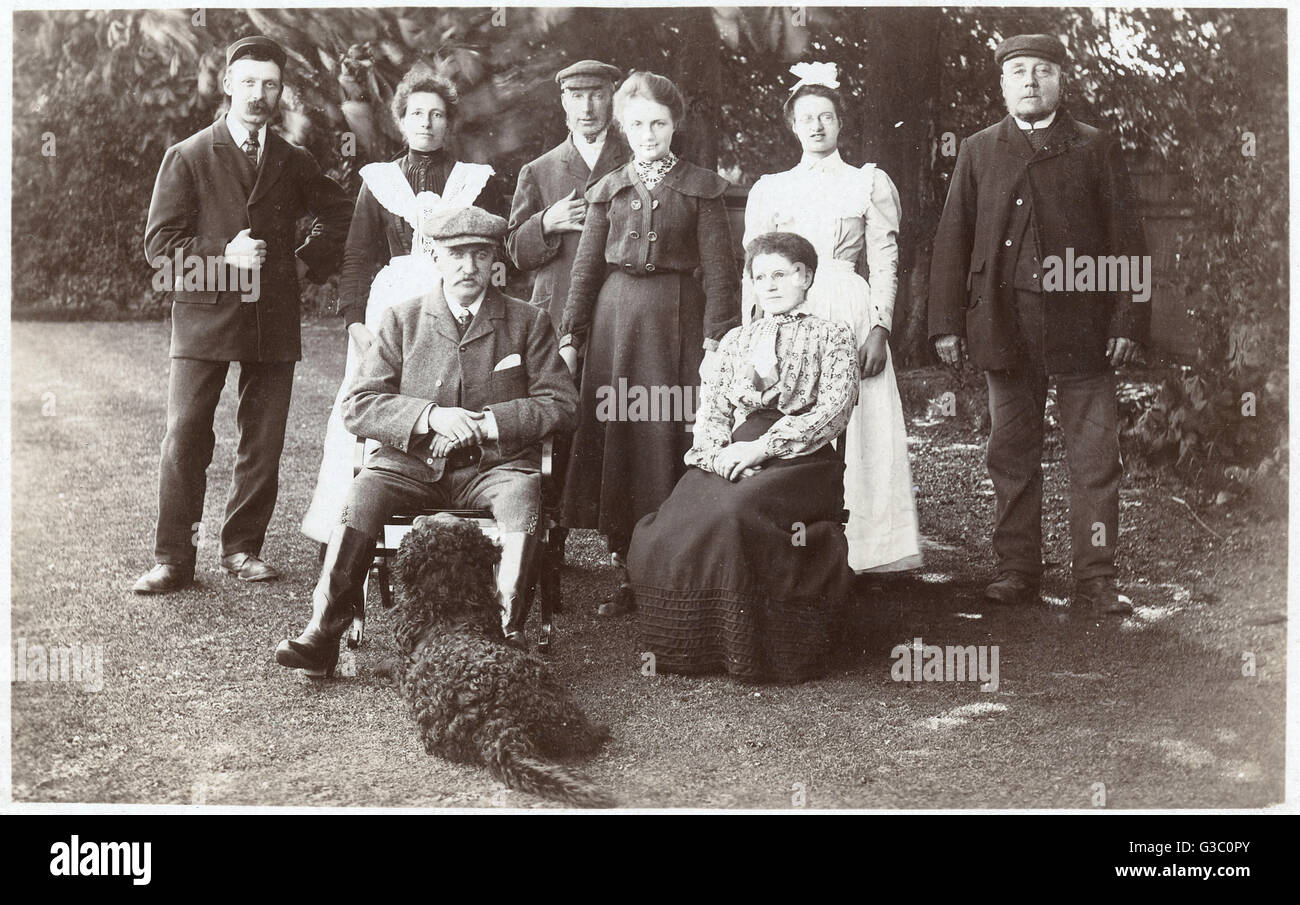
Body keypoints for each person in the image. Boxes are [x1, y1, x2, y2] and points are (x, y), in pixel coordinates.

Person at [276, 205, 578, 675]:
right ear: (434, 257)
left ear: (495, 260)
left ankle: (506, 635)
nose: (468, 267)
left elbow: (561, 403)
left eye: (480, 255)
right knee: (362, 491)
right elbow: (358, 404)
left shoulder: (526, 321)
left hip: (494, 467)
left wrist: (484, 422)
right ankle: (323, 631)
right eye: (456, 254)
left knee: (524, 497)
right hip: (412, 464)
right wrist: (431, 416)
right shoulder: (402, 320)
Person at [928, 34, 1148, 615]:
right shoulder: (978, 150)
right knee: (1010, 453)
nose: (1030, 81)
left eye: (1043, 71)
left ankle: (1097, 579)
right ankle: (1017, 570)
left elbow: (1127, 238)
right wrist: (947, 323)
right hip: (1005, 326)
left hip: (1084, 327)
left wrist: (1127, 317)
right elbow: (953, 239)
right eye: (1019, 72)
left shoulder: (1095, 147)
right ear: (1002, 84)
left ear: (1060, 82)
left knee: (1096, 460)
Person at [133, 36, 351, 594]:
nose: (259, 94)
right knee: (185, 436)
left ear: (280, 92)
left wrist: (304, 265)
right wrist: (220, 255)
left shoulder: (292, 159)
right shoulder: (187, 155)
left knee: (265, 438)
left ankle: (242, 548)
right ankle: (174, 559)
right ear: (228, 85)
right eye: (248, 82)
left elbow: (339, 216)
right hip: (205, 315)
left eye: (270, 84)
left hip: (272, 318)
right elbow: (160, 247)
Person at [628, 232, 858, 683]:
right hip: (733, 452)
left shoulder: (833, 335)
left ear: (805, 277)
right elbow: (712, 410)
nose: (768, 285)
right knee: (671, 520)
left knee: (734, 512)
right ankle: (694, 646)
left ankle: (750, 648)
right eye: (759, 277)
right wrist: (718, 458)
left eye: (780, 274)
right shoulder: (735, 340)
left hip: (803, 458)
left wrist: (762, 448)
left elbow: (834, 409)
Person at [557, 70, 741, 616]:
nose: (647, 133)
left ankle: (671, 572)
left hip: (677, 333)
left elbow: (721, 273)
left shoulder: (702, 186)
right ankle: (626, 569)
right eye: (636, 123)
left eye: (658, 122)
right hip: (617, 333)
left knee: (669, 436)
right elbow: (586, 273)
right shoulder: (608, 188)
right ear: (623, 125)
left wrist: (718, 341)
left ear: (674, 125)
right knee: (621, 440)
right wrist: (571, 338)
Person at [301, 66, 495, 544]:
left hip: (457, 301)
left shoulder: (473, 179)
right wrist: (353, 322)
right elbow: (357, 256)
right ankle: (352, 521)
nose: (426, 123)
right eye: (415, 114)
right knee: (375, 402)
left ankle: (457, 515)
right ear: (401, 122)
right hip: (390, 307)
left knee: (455, 396)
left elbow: (494, 250)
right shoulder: (380, 180)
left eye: (436, 114)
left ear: (449, 123)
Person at [743, 61, 922, 575]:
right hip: (787, 309)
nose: (817, 126)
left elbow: (885, 259)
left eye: (826, 116)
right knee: (791, 413)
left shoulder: (867, 182)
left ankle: (865, 550)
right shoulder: (771, 189)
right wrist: (754, 336)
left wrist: (880, 327)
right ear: (792, 126)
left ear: (841, 123)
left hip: (848, 306)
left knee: (860, 423)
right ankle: (790, 548)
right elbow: (754, 271)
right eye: (807, 118)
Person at [505, 59, 631, 573]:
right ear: (562, 103)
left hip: (620, 312)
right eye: (576, 96)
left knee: (620, 415)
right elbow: (512, 251)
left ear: (613, 97)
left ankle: (625, 549)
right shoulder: (540, 170)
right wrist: (545, 223)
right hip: (556, 315)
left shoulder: (636, 157)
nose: (587, 106)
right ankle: (546, 545)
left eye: (597, 94)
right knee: (553, 419)